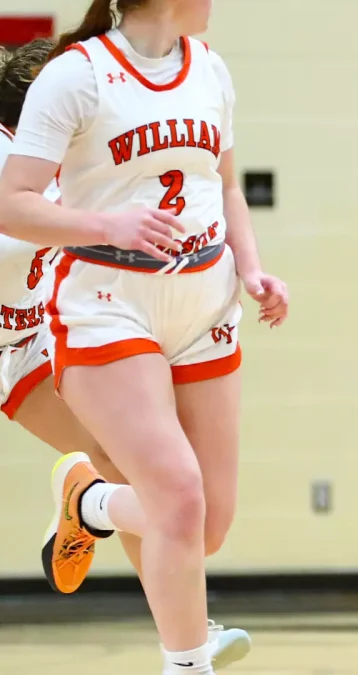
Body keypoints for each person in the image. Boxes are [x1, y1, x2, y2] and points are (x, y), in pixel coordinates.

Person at [0, 2, 288, 674]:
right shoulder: (38, 158)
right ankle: (186, 638)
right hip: (17, 345)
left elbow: (218, 181)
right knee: (162, 485)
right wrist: (96, 225)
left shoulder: (172, 92)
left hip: (84, 317)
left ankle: (106, 521)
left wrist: (241, 265)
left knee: (170, 490)